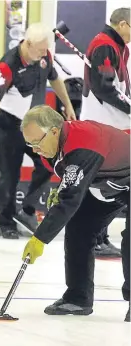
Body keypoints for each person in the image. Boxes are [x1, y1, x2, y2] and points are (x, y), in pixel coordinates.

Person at [21, 105, 130, 322]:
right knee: (79, 228)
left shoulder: (83, 143)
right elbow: (70, 183)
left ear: (54, 131)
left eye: (36, 142)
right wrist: (62, 189)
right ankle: (78, 298)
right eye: (29, 144)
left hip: (121, 176)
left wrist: (39, 239)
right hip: (111, 182)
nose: (34, 150)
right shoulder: (50, 149)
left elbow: (70, 199)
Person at [0, 22, 76, 239]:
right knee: (7, 177)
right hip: (9, 125)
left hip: (34, 125)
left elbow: (56, 79)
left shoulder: (44, 57)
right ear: (28, 44)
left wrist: (68, 105)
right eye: (41, 49)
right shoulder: (7, 65)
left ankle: (28, 210)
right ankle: (7, 224)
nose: (45, 53)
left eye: (46, 49)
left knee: (50, 164)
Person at [80, 7, 130, 258]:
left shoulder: (118, 46)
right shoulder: (104, 44)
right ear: (122, 24)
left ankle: (101, 236)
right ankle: (96, 237)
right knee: (102, 179)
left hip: (113, 125)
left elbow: (119, 87)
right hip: (102, 125)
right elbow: (104, 88)